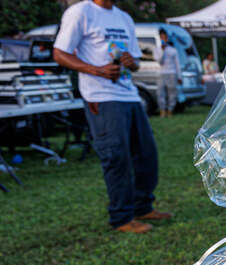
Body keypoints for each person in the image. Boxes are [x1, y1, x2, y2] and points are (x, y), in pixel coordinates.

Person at [54, 0, 172, 234]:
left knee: (146, 155)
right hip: (101, 96)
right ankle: (121, 217)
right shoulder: (81, 12)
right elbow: (59, 54)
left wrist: (132, 62)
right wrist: (97, 70)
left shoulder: (124, 18)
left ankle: (143, 207)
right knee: (116, 156)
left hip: (128, 93)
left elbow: (136, 63)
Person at [157, 28, 181, 118]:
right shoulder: (157, 50)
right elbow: (160, 62)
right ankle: (162, 110)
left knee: (172, 92)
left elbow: (177, 64)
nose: (163, 39)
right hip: (162, 72)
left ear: (167, 38)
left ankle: (170, 110)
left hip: (172, 73)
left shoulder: (173, 50)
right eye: (161, 37)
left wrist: (179, 76)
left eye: (165, 37)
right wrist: (163, 51)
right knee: (160, 93)